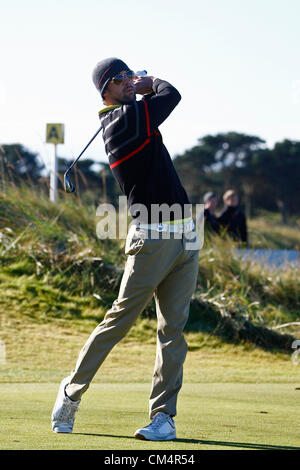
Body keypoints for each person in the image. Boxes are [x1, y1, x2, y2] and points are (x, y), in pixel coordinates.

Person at [51, 58, 200, 441]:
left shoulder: (132, 113)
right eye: (122, 79)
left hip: (187, 234)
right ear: (106, 89)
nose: (129, 82)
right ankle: (71, 392)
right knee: (119, 321)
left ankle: (163, 417)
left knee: (174, 330)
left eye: (131, 76)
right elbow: (172, 94)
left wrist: (137, 88)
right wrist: (151, 82)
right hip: (152, 238)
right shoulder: (123, 121)